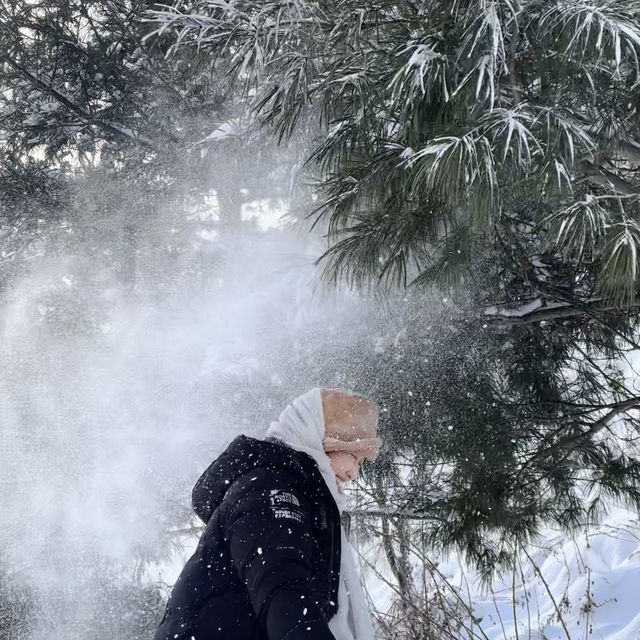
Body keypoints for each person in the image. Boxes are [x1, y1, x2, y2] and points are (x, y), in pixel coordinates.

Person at [153, 387, 379, 640]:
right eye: (353, 457)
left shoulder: (297, 495)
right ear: (319, 440)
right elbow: (284, 591)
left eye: (360, 464)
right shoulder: (269, 488)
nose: (353, 473)